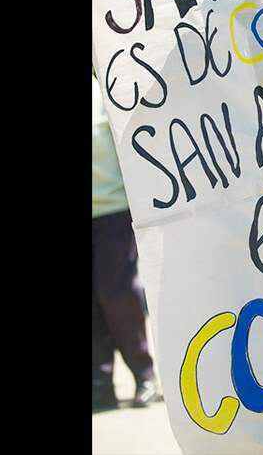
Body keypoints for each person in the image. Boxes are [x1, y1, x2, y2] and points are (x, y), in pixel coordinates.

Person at [93, 74, 160, 411]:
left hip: (112, 211)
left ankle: (144, 375)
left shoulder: (102, 96)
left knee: (118, 294)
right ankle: (99, 384)